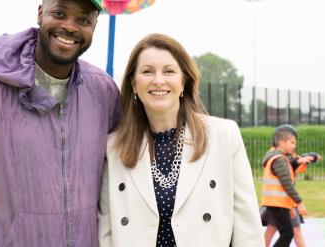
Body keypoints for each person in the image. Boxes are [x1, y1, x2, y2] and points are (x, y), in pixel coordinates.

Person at [0, 0, 121, 246]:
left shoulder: (103, 91)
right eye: (60, 13)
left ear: (95, 25)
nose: (70, 27)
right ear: (41, 13)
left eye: (83, 19)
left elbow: (116, 173)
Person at [98, 33, 263, 247]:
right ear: (134, 84)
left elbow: (248, 228)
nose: (158, 80)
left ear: (183, 81)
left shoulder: (224, 135)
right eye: (147, 71)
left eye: (169, 71)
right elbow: (106, 234)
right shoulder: (114, 147)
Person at [260, 126, 320, 247]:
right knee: (287, 233)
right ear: (282, 143)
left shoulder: (281, 157)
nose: (294, 145)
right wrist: (299, 202)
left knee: (286, 232)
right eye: (292, 142)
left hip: (279, 204)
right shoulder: (279, 159)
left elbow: (292, 165)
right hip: (277, 204)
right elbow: (287, 184)